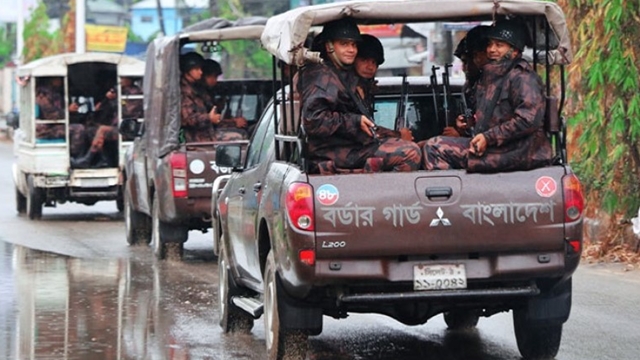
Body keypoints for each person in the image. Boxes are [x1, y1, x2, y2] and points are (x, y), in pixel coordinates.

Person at [422, 20, 553, 172]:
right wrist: (468, 125)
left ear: (515, 50)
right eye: (490, 44)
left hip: (517, 153)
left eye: (499, 45)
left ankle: (455, 195)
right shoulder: (492, 77)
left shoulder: (522, 77)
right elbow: (494, 118)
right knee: (433, 145)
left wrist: (488, 137)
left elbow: (528, 120)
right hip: (499, 148)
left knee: (435, 147)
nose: (492, 50)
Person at [298, 18, 421, 174]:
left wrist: (395, 135)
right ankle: (388, 196)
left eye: (354, 45)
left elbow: (365, 127)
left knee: (415, 146)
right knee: (410, 153)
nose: (351, 50)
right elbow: (314, 120)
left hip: (349, 147)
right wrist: (354, 121)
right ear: (329, 46)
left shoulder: (340, 75)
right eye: (344, 44)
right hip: (332, 152)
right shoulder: (323, 76)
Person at [353, 33, 413, 143]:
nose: (370, 67)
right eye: (364, 60)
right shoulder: (347, 89)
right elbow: (363, 129)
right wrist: (399, 135)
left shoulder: (365, 90)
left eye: (374, 62)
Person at [442, 25, 490, 137]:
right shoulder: (470, 88)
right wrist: (463, 128)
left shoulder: (495, 85)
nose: (464, 68)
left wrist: (460, 136)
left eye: (467, 62)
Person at [200, 59, 248, 140]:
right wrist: (234, 122)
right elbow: (212, 121)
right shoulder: (197, 94)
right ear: (205, 76)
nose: (215, 81)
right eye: (213, 77)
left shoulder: (206, 93)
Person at [180, 52, 221, 143]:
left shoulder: (196, 88)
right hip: (194, 138)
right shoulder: (183, 91)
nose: (201, 72)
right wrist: (209, 118)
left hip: (205, 133)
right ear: (188, 70)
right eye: (197, 69)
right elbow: (187, 119)